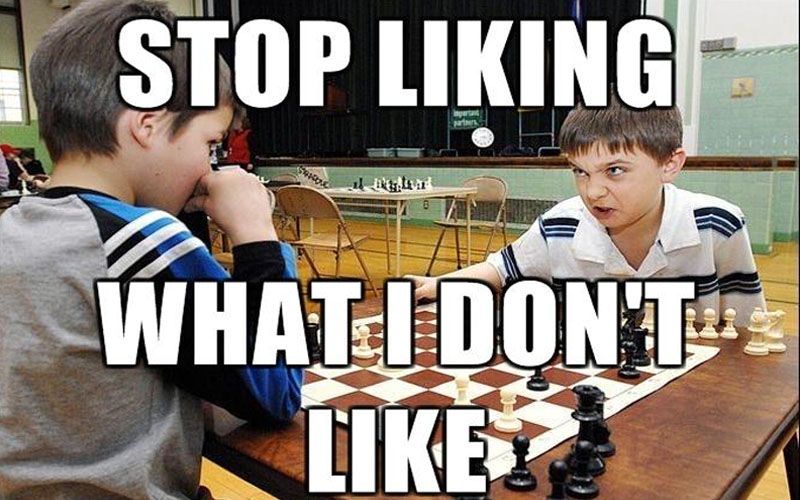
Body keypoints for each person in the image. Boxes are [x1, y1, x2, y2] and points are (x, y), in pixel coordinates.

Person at [0, 1, 303, 498]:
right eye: (209, 144)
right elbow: (276, 390)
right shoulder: (141, 244)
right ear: (148, 124)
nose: (209, 167)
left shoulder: (13, 231)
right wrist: (258, 237)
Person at [411, 94, 766, 326]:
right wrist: (439, 283)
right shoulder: (560, 224)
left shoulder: (718, 225)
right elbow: (500, 269)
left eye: (615, 170)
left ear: (670, 164)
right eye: (580, 171)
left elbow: (750, 330)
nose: (592, 192)